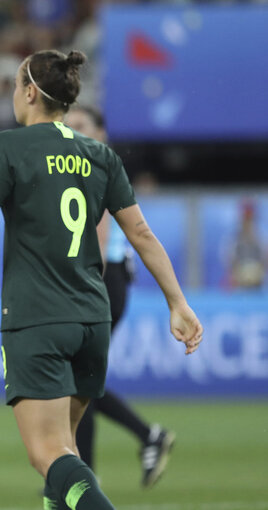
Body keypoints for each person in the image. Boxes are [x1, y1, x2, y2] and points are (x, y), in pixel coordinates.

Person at [0, 49, 203, 510]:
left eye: (17, 86)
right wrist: (178, 302)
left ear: (31, 93)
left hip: (38, 318)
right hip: (91, 320)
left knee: (48, 455)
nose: (14, 96)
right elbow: (140, 232)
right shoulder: (100, 155)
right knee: (67, 449)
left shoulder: (10, 146)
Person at [63, 105, 176, 488]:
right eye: (68, 127)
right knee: (81, 379)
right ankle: (141, 440)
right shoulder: (89, 166)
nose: (72, 133)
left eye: (81, 126)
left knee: (80, 381)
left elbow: (101, 233)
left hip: (101, 281)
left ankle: (86, 478)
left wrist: (81, 285)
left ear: (101, 133)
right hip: (107, 281)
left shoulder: (94, 166)